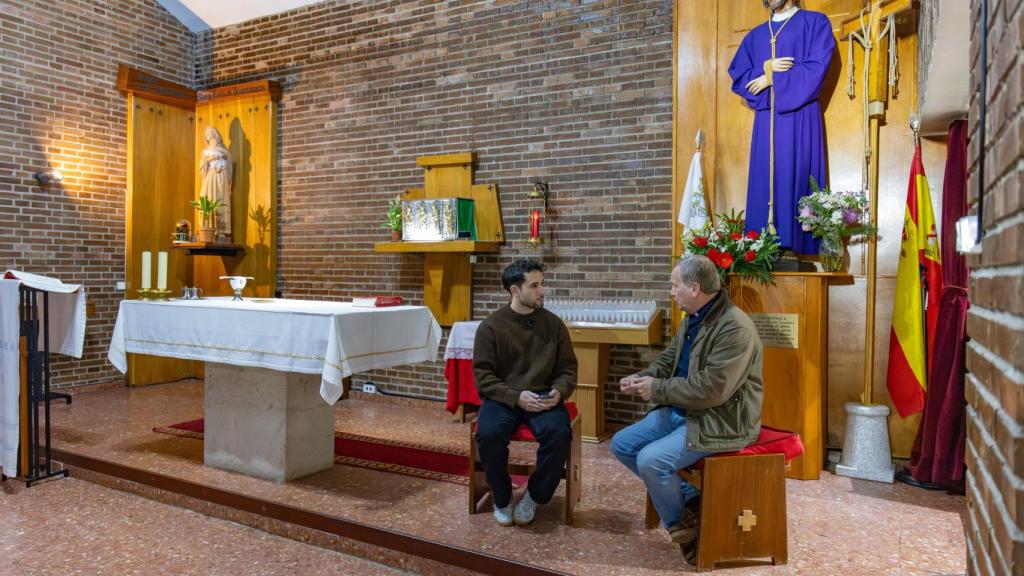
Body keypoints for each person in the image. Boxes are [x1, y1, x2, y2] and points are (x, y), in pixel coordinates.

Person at [610, 255, 763, 563]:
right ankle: (693, 506)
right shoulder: (692, 318)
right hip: (683, 410)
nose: (671, 291)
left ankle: (682, 530)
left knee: (651, 460)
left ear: (694, 288)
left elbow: (712, 390)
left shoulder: (735, 328)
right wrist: (645, 377)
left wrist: (657, 389)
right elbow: (668, 361)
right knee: (621, 444)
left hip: (720, 418)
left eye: (674, 285)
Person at [473, 259, 578, 527]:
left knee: (559, 433)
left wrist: (559, 391)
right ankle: (502, 495)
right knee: (488, 434)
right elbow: (483, 377)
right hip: (504, 397)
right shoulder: (491, 327)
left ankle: (535, 495)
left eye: (542, 284)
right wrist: (515, 397)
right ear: (515, 291)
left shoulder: (554, 325)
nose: (542, 290)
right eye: (534, 285)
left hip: (543, 396)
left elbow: (567, 369)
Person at [728, 0, 836, 255]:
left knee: (797, 174)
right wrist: (766, 71)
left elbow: (816, 70)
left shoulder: (815, 23)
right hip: (767, 122)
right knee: (766, 177)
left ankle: (795, 245)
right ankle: (761, 247)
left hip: (800, 119)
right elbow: (740, 77)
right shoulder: (755, 36)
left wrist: (772, 78)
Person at [199, 126, 233, 240]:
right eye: (206, 134)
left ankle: (221, 230)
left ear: (215, 134)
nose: (208, 135)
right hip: (210, 177)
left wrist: (223, 156)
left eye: (209, 133)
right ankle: (208, 228)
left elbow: (229, 158)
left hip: (221, 177)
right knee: (208, 198)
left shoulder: (223, 149)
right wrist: (209, 159)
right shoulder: (206, 150)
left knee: (220, 200)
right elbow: (202, 165)